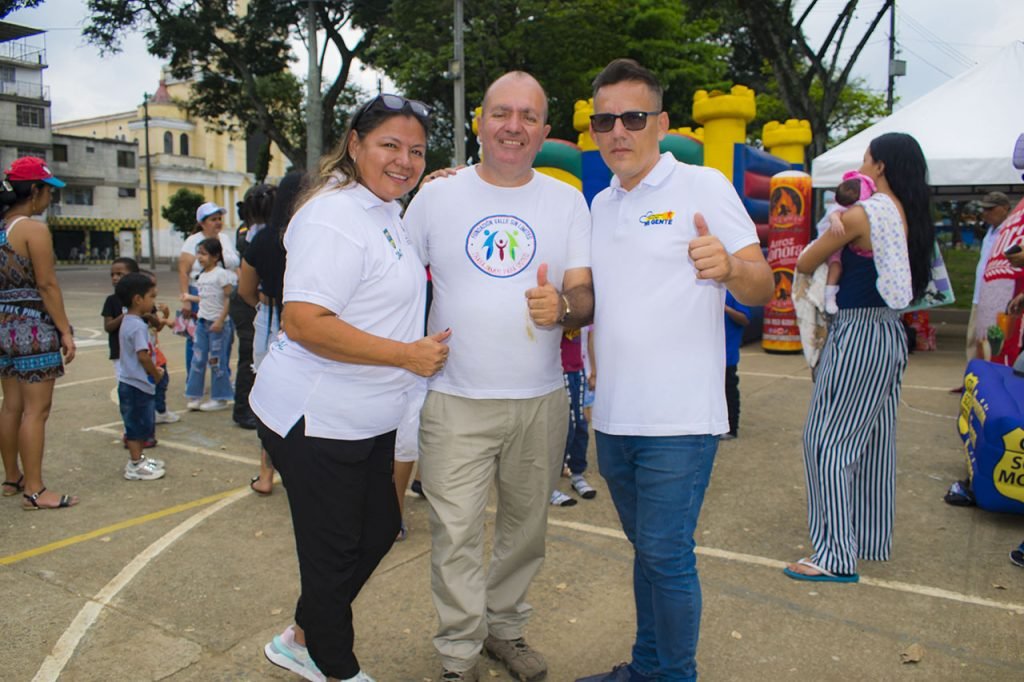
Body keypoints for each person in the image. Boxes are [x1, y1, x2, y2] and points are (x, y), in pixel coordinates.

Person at [574, 59, 772, 682]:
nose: (618, 132)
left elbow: (764, 283)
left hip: (680, 417)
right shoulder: (599, 205)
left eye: (633, 118)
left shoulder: (702, 186)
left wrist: (730, 268)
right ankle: (646, 666)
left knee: (666, 553)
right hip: (613, 416)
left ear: (660, 122)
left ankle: (672, 675)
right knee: (647, 555)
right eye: (605, 120)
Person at [249, 93, 448, 682]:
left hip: (368, 412)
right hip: (317, 415)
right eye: (390, 145)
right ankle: (331, 663)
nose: (404, 161)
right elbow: (304, 321)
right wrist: (407, 355)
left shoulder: (383, 207)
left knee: (381, 528)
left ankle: (304, 633)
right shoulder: (333, 215)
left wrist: (440, 181)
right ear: (355, 143)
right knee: (332, 552)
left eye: (416, 151)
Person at [404, 71, 593, 682]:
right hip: (454, 398)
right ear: (479, 122)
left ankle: (504, 631)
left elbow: (584, 296)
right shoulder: (436, 196)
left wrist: (561, 311)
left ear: (544, 129)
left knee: (525, 530)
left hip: (540, 398)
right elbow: (396, 282)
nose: (514, 126)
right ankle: (459, 655)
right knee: (453, 533)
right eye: (501, 113)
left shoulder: (566, 201)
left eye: (529, 116)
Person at [787, 132, 934, 583]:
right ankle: (866, 539)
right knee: (871, 444)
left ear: (881, 165)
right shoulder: (907, 214)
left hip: (859, 334)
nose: (863, 163)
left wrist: (836, 228)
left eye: (867, 156)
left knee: (825, 442)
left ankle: (834, 555)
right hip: (890, 331)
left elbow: (808, 258)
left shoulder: (861, 215)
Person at [0, 156, 79, 509]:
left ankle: (12, 476)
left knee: (11, 405)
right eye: (49, 190)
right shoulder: (33, 230)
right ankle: (35, 489)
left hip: (2, 324)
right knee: (36, 410)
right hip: (31, 328)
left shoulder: (2, 227)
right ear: (34, 191)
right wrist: (65, 330)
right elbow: (47, 285)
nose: (51, 197)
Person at [239, 171, 303, 495]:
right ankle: (304, 473)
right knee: (307, 400)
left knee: (270, 401)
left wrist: (264, 306)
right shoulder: (311, 234)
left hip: (270, 319)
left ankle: (266, 475)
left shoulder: (262, 238)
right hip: (310, 325)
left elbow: (245, 288)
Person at [178, 201, 240, 379]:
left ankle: (222, 375)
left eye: (219, 218)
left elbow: (235, 266)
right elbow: (183, 270)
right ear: (202, 222)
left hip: (225, 293)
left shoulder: (225, 239)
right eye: (213, 219)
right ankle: (194, 377)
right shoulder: (193, 241)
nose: (218, 222)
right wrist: (187, 300)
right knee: (197, 339)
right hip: (201, 293)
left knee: (225, 337)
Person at [231, 185, 275, 429]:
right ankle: (243, 409)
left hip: (255, 300)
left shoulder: (253, 231)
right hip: (251, 302)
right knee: (249, 357)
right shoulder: (252, 234)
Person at [116, 272, 168, 481]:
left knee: (139, 424)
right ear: (138, 299)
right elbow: (143, 356)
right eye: (151, 297)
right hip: (136, 384)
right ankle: (135, 464)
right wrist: (155, 373)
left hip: (132, 382)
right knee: (136, 426)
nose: (153, 301)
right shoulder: (137, 326)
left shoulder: (131, 321)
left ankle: (139, 458)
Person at [182, 238, 236, 411]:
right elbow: (206, 297)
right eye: (199, 253)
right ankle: (194, 395)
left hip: (218, 325)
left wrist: (220, 320)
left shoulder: (222, 274)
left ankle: (220, 398)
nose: (199, 257)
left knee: (216, 361)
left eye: (204, 254)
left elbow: (228, 298)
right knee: (197, 360)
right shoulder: (202, 276)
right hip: (203, 322)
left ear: (215, 256)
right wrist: (190, 298)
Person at [823, 171, 877, 314]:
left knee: (837, 268)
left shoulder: (853, 209)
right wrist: (835, 221)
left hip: (838, 245)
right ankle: (829, 296)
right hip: (833, 246)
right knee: (836, 268)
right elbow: (834, 213)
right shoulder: (844, 210)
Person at [554, 327, 596, 504]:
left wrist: (592, 369)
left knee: (580, 423)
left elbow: (590, 338)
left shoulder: (580, 309)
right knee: (565, 428)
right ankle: (549, 484)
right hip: (558, 371)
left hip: (577, 369)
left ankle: (577, 473)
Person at [723, 291, 750, 440]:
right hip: (706, 355)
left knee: (729, 390)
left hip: (727, 354)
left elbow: (745, 319)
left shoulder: (733, 291)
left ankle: (732, 428)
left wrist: (725, 308)